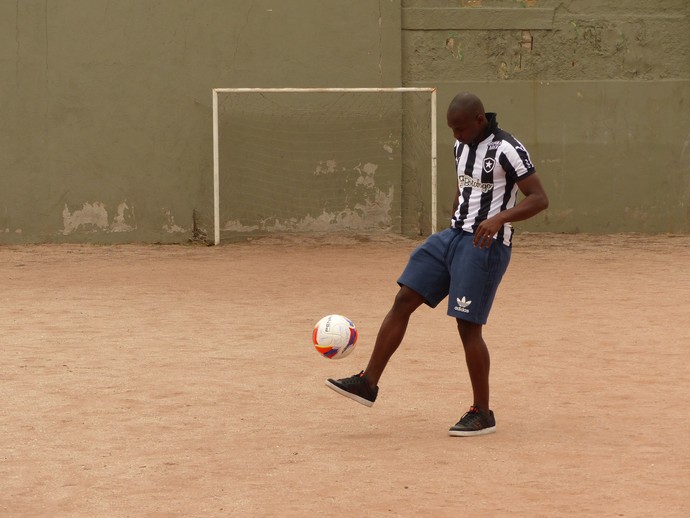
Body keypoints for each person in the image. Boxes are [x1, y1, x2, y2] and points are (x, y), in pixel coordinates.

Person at [325, 92, 549, 437]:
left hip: (484, 245)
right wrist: (460, 207)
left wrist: (498, 219)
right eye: (451, 130)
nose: (455, 136)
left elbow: (539, 198)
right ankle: (367, 383)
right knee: (403, 299)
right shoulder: (461, 146)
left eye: (460, 129)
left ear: (479, 120)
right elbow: (465, 186)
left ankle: (482, 412)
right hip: (452, 237)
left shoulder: (508, 149)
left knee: (467, 326)